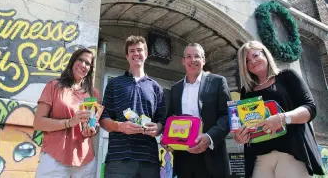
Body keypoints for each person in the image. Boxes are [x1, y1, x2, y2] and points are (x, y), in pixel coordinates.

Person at [235, 41, 325, 178]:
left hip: (291, 153)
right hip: (260, 158)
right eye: (247, 61)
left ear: (265, 54)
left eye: (255, 55)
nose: (252, 61)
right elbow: (246, 126)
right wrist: (241, 136)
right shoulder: (246, 92)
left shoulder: (287, 76)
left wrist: (282, 118)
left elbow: (310, 109)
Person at [100, 35, 165, 178]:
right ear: (127, 56)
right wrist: (120, 126)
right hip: (119, 158)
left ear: (146, 54)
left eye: (140, 50)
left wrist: (158, 128)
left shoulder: (156, 88)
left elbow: (162, 121)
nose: (136, 54)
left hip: (149, 159)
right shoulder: (114, 84)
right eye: (132, 51)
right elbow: (103, 118)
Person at [165, 43, 231, 178]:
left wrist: (209, 137)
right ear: (183, 61)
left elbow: (227, 115)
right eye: (189, 56)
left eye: (197, 56)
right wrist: (167, 139)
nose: (193, 60)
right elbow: (169, 119)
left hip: (212, 158)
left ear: (203, 60)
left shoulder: (218, 82)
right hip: (184, 160)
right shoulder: (175, 89)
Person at [33, 48, 100, 177]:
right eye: (80, 60)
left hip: (85, 161)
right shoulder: (54, 86)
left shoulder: (93, 93)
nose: (83, 65)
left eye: (88, 63)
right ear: (73, 61)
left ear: (90, 70)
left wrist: (91, 130)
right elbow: (38, 123)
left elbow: (93, 123)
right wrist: (70, 122)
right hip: (54, 157)